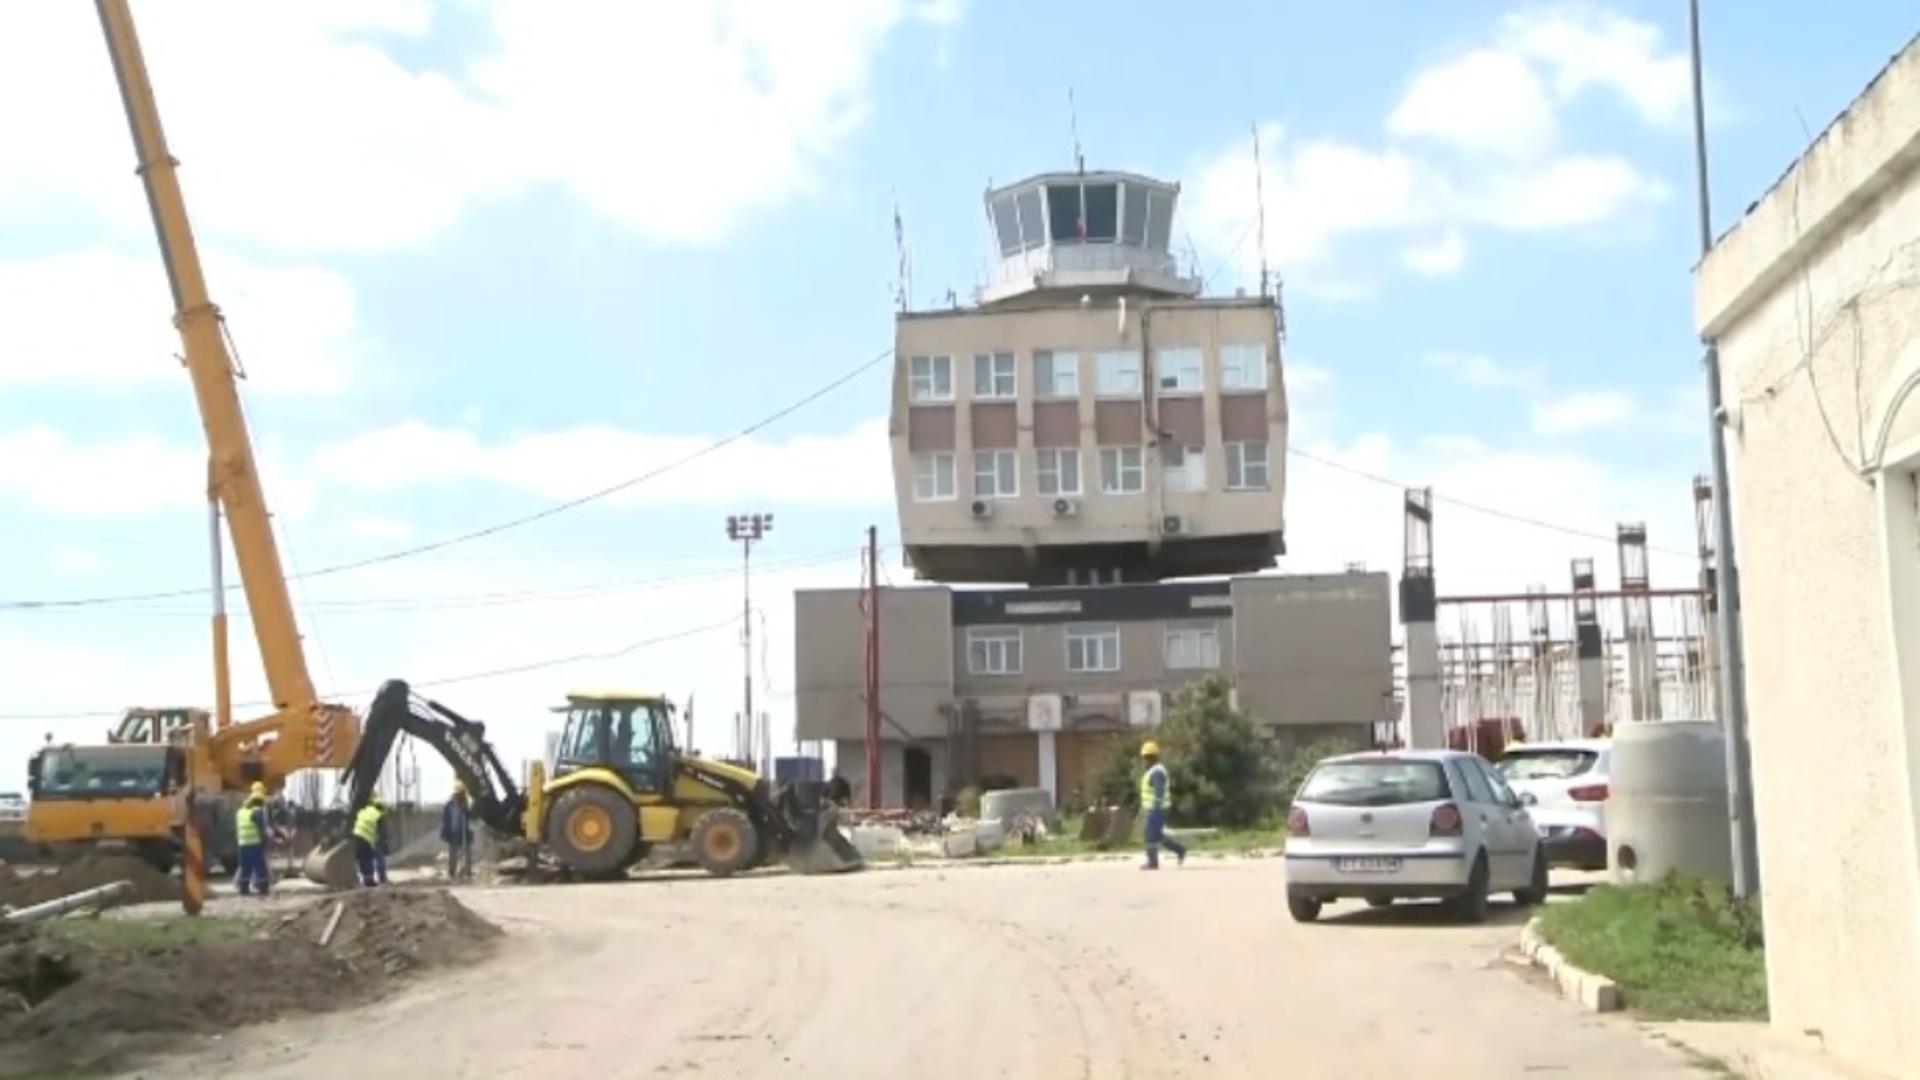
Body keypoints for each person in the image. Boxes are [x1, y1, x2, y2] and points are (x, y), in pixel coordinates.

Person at [1137, 741, 1187, 871]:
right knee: (1157, 835)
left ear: (1149, 758)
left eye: (1145, 758)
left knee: (1150, 835)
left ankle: (1152, 863)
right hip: (1155, 808)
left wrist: (1155, 807)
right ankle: (1180, 850)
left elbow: (1158, 791)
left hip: (1157, 808)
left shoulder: (1157, 772)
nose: (1144, 761)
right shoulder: (1154, 771)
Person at [235, 781, 271, 896]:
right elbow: (262, 828)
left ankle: (243, 888)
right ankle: (263, 887)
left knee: (245, 866)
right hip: (254, 843)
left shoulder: (240, 812)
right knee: (260, 865)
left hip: (242, 843)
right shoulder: (257, 812)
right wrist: (268, 837)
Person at [352, 793, 391, 888]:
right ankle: (371, 879)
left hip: (356, 835)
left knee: (362, 858)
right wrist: (385, 843)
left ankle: (365, 878)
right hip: (366, 837)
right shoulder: (379, 815)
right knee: (368, 858)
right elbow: (383, 832)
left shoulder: (365, 810)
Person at [441, 780, 474, 882]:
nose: (459, 796)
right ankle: (452, 872)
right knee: (453, 854)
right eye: (458, 794)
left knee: (467, 853)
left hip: (464, 832)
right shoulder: (449, 805)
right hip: (453, 833)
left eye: (461, 794)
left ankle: (467, 872)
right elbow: (445, 820)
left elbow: (471, 819)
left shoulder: (466, 805)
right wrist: (445, 832)